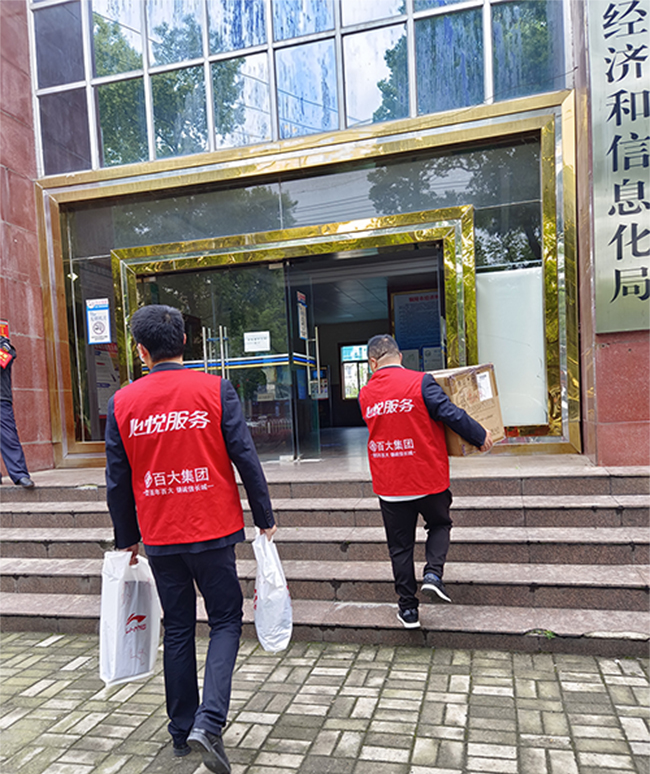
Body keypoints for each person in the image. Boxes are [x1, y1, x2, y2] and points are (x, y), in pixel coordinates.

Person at [105, 304, 276, 774]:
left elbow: (117, 480)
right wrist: (264, 516)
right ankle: (210, 721)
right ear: (184, 341)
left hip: (160, 534)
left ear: (141, 351)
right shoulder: (215, 390)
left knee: (178, 627)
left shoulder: (122, 403)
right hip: (214, 529)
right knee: (225, 620)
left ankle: (182, 731)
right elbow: (245, 456)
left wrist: (127, 538)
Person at [358, 334, 493, 629]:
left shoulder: (365, 394)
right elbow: (450, 414)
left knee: (400, 548)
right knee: (440, 524)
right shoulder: (421, 382)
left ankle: (408, 610)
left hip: (390, 485)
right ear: (399, 357)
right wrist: (479, 435)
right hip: (428, 478)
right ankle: (433, 573)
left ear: (372, 362)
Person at [0, 335, 35, 489]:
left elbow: (4, 359)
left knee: (8, 438)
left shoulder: (3, 343)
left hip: (0, 399)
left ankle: (20, 475)